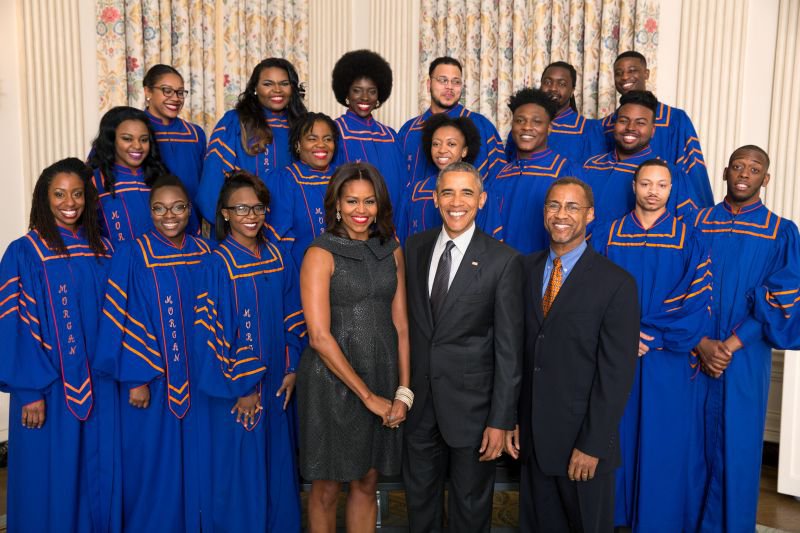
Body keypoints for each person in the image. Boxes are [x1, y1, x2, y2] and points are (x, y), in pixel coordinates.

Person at [506, 177, 639, 532]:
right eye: (553, 206)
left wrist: (593, 445)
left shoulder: (617, 283)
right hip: (532, 443)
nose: (561, 214)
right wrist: (514, 418)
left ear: (590, 215)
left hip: (583, 447)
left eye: (572, 207)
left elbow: (616, 374)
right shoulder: (523, 270)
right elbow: (517, 353)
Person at [590, 159, 712, 531]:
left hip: (665, 357)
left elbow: (697, 297)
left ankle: (657, 521)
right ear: (634, 186)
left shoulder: (688, 237)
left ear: (671, 189)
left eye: (661, 185)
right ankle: (615, 516)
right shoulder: (607, 235)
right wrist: (624, 335)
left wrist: (653, 335)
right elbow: (592, 292)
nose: (653, 191)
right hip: (616, 353)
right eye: (646, 183)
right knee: (617, 434)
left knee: (663, 441)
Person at [0, 158, 119, 533]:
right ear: (43, 198)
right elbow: (12, 325)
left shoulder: (102, 250)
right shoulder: (24, 252)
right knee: (50, 474)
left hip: (100, 386)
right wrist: (29, 389)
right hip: (48, 389)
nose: (70, 202)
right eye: (59, 194)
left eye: (78, 194)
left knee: (97, 471)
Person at [403, 161, 523, 532]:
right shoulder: (414, 247)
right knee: (419, 505)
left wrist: (500, 420)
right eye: (448, 192)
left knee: (470, 511)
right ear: (435, 198)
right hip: (420, 406)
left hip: (474, 412)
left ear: (482, 199)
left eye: (467, 192)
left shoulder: (503, 260)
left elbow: (509, 349)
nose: (457, 201)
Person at [94, 174, 214, 532]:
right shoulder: (132, 254)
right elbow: (121, 319)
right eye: (159, 208)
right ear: (149, 211)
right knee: (152, 466)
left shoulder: (206, 252)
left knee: (201, 462)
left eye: (178, 207)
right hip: (153, 380)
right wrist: (136, 378)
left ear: (189, 209)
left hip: (202, 381)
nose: (169, 215)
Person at [689, 145, 800, 532]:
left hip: (746, 355)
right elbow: (677, 286)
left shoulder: (781, 232)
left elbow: (781, 296)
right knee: (687, 445)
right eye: (738, 165)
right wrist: (702, 341)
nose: (744, 173)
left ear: (765, 179)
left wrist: (729, 346)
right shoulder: (695, 222)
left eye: (754, 169)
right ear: (724, 172)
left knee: (738, 444)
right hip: (691, 348)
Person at [297, 162, 410, 533]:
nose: (360, 211)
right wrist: (368, 397)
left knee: (366, 481)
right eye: (352, 202)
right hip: (331, 383)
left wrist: (402, 392)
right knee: (327, 487)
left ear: (380, 206)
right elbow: (319, 336)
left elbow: (401, 324)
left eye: (369, 202)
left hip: (381, 374)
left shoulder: (391, 249)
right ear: (337, 205)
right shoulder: (320, 252)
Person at [195, 170, 305, 532]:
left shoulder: (278, 255)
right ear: (224, 213)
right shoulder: (217, 263)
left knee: (277, 466)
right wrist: (241, 387)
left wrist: (292, 369)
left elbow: (294, 314)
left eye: (258, 207)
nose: (251, 216)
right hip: (239, 386)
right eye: (241, 208)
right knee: (240, 470)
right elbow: (212, 332)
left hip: (277, 382)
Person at [197, 58, 308, 224]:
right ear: (255, 88)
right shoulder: (235, 122)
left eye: (284, 83)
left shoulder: (303, 126)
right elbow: (212, 180)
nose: (277, 90)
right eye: (268, 84)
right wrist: (226, 225)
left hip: (290, 226)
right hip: (241, 227)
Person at [601, 51, 713, 205]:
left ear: (646, 74)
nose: (625, 77)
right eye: (619, 73)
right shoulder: (607, 124)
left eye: (632, 71)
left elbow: (691, 169)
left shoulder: (675, 119)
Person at [583, 90, 707, 227]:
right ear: (614, 125)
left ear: (653, 130)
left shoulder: (669, 174)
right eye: (623, 121)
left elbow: (686, 228)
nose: (630, 128)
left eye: (640, 123)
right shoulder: (590, 166)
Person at [488, 87, 582, 254]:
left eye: (537, 122)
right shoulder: (499, 175)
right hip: (503, 273)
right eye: (520, 121)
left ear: (549, 128)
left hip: (547, 272)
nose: (527, 127)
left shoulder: (566, 171)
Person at [396, 113, 503, 243]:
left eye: (451, 144)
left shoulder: (481, 191)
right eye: (436, 144)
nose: (442, 150)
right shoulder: (413, 192)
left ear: (464, 151)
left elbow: (491, 243)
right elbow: (402, 242)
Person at [398, 56, 505, 184]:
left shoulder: (482, 126)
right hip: (416, 203)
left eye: (456, 82)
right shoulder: (408, 130)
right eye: (443, 80)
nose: (449, 87)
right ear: (428, 84)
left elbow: (499, 181)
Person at [331, 49, 407, 212]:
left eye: (372, 91)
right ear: (346, 92)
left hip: (389, 228)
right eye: (357, 90)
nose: (365, 97)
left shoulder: (390, 136)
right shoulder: (335, 132)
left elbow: (403, 189)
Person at [265, 112, 339, 269]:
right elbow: (277, 240)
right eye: (312, 139)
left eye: (328, 139)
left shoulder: (345, 178)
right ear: (298, 144)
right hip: (300, 273)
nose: (321, 145)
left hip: (345, 276)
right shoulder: (284, 181)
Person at [88, 105, 170, 243]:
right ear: (111, 140)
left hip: (162, 262)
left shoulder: (162, 177)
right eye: (127, 139)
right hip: (116, 263)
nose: (137, 146)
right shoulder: (95, 181)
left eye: (143, 139)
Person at [143, 64, 207, 230]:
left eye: (180, 92)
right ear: (148, 92)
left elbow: (204, 183)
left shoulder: (195, 134)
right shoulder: (132, 131)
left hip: (190, 225)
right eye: (167, 90)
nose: (175, 98)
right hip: (148, 223)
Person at [504, 61, 605, 165]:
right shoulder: (522, 127)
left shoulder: (589, 129)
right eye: (547, 82)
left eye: (562, 84)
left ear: (572, 90)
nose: (553, 88)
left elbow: (594, 174)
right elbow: (510, 166)